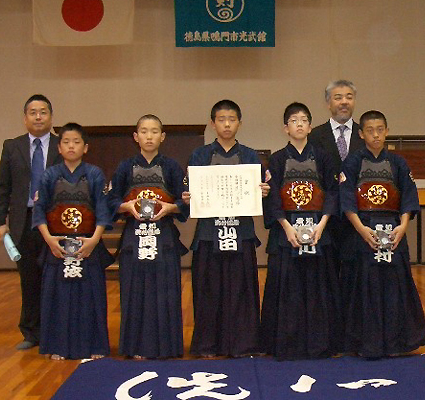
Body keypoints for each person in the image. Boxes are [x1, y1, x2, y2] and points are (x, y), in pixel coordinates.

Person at [182, 99, 270, 358]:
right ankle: (208, 345)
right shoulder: (200, 155)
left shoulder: (250, 155)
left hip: (240, 232)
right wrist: (188, 197)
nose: (227, 124)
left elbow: (260, 193)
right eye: (221, 119)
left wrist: (263, 192)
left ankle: (244, 344)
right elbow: (188, 192)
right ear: (213, 124)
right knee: (209, 290)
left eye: (232, 119)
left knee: (241, 288)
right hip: (209, 233)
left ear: (240, 124)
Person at [339, 110, 425, 358]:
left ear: (387, 131)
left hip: (394, 230)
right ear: (361, 134)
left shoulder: (398, 163)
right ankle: (366, 343)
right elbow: (346, 201)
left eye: (380, 129)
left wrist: (403, 226)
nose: (376, 135)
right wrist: (361, 230)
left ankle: (396, 342)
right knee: (365, 286)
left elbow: (409, 198)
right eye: (370, 130)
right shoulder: (353, 162)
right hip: (364, 230)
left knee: (394, 286)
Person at [260, 102, 344, 360]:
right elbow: (272, 197)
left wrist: (322, 224)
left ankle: (321, 344)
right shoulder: (276, 159)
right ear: (286, 128)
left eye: (304, 120)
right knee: (287, 288)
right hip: (287, 233)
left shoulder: (323, 157)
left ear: (309, 126)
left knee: (319, 287)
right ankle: (286, 344)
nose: (299, 124)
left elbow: (332, 191)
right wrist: (285, 226)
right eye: (293, 120)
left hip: (319, 229)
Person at [108, 114, 188, 359]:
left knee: (165, 292)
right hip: (134, 237)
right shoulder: (125, 167)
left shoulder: (172, 167)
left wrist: (170, 208)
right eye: (144, 131)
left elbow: (186, 202)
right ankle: (135, 348)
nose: (149, 136)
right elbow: (110, 200)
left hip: (163, 238)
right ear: (136, 137)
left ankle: (168, 348)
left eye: (154, 131)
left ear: (162, 137)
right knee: (135, 291)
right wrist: (126, 206)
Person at [33, 123, 113, 360]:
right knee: (57, 297)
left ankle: (95, 346)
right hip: (57, 245)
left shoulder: (95, 174)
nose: (71, 146)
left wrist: (94, 241)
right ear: (59, 147)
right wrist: (49, 241)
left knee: (91, 296)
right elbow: (40, 211)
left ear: (85, 147)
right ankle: (58, 346)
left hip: (88, 244)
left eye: (76, 142)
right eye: (66, 141)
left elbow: (102, 210)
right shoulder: (50, 175)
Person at [0, 94, 62, 350]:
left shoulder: (61, 145)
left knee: (55, 278)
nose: (38, 117)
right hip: (24, 222)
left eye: (43, 112)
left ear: (51, 117)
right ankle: (31, 333)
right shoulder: (12, 147)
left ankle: (56, 330)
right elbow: (2, 187)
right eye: (33, 112)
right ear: (25, 118)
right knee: (29, 278)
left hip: (55, 223)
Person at [308, 80, 365, 280]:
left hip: (358, 216)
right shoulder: (314, 135)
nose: (344, 102)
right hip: (326, 216)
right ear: (328, 103)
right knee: (327, 273)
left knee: (354, 273)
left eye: (349, 97)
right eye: (338, 97)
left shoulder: (364, 133)